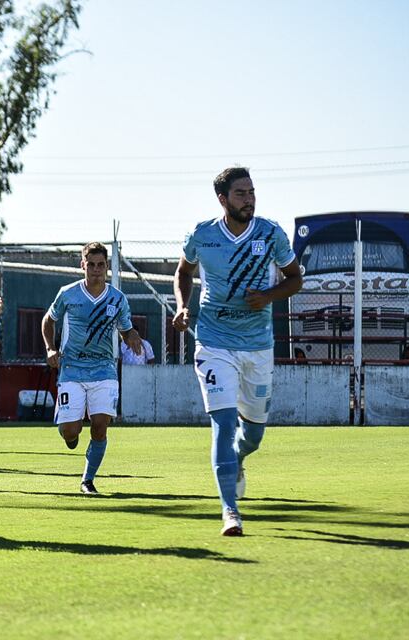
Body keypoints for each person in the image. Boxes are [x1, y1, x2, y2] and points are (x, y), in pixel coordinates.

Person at [173, 166, 302, 537]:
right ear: (223, 199)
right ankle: (230, 511)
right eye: (241, 193)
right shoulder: (202, 235)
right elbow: (183, 272)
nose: (249, 200)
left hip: (258, 347)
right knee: (224, 422)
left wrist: (268, 296)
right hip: (214, 343)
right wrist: (182, 306)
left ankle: (239, 457)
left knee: (253, 436)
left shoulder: (271, 233)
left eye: (252, 192)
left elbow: (295, 278)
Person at [42, 242, 143, 496]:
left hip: (104, 370)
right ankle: (70, 434)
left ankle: (87, 480)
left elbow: (125, 329)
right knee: (70, 430)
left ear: (107, 267)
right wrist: (50, 349)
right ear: (83, 265)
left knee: (100, 425)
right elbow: (48, 321)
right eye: (91, 265)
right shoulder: (68, 294)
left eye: (101, 265)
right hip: (72, 370)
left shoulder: (117, 299)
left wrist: (131, 335)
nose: (96, 270)